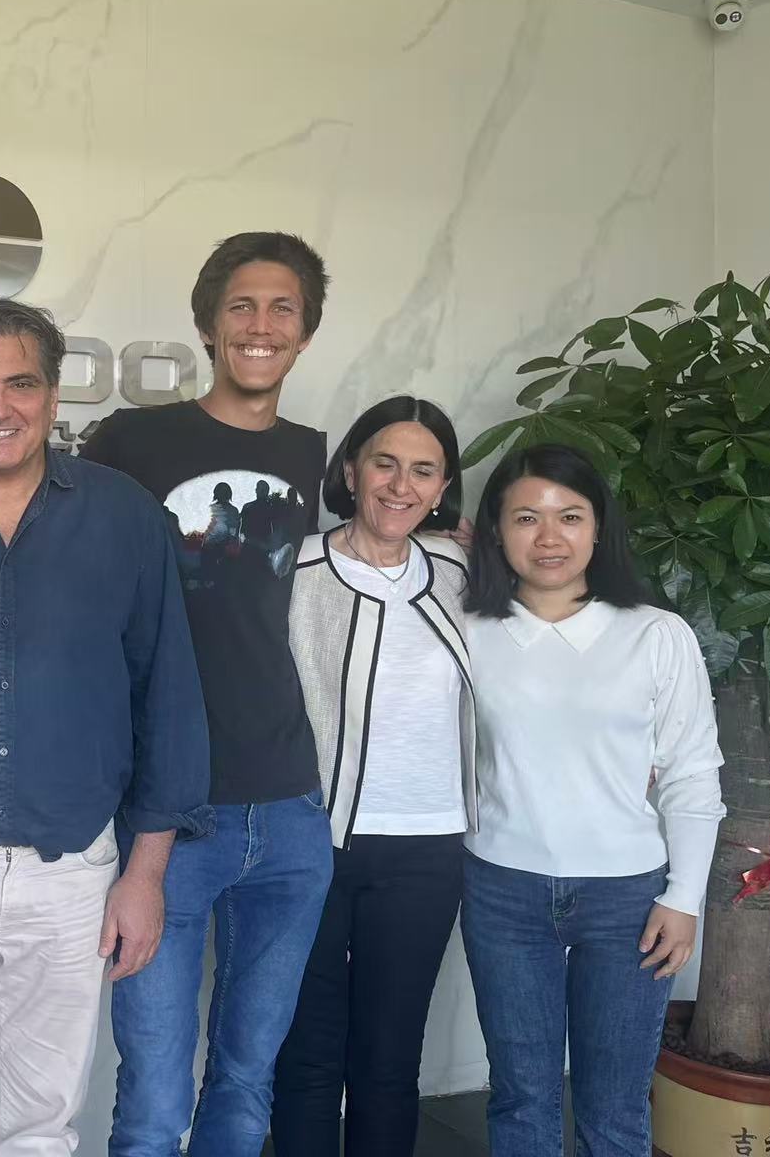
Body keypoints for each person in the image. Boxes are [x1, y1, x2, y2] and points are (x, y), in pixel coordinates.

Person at [0, 298, 211, 1157]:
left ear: (54, 395)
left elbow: (165, 692)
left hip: (72, 868)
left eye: (20, 384)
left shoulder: (123, 514)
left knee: (40, 1122)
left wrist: (145, 875)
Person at [80, 232, 335, 1157]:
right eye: (241, 306)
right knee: (154, 1095)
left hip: (291, 807)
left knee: (246, 1078)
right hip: (167, 816)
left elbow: (369, 553)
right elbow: (39, 521)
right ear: (207, 325)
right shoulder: (132, 440)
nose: (260, 325)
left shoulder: (312, 455)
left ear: (304, 331)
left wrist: (456, 538)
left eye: (281, 308)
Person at [462, 443, 724, 1157]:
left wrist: (684, 898)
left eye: (569, 516)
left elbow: (692, 773)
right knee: (521, 1096)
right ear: (495, 531)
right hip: (501, 891)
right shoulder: (467, 631)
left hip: (628, 899)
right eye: (525, 518)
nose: (548, 537)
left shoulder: (655, 634)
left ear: (599, 527)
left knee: (614, 1107)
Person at [271, 395, 475, 1157]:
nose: (400, 485)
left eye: (422, 471)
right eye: (384, 463)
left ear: (442, 486)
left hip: (428, 847)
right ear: (351, 470)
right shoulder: (293, 567)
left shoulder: (461, 570)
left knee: (389, 1062)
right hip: (309, 843)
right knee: (305, 1054)